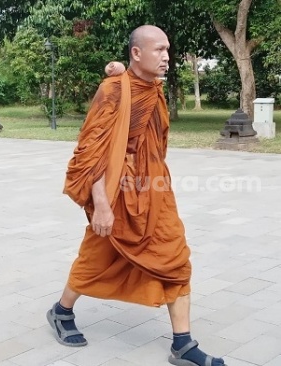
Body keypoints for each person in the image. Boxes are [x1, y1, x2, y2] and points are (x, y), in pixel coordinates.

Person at [48, 25, 225, 366]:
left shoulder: (153, 89)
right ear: (136, 53)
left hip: (156, 191)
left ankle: (183, 344)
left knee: (176, 259)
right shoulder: (112, 90)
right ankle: (61, 310)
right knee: (96, 258)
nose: (167, 57)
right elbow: (91, 152)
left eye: (168, 50)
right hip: (118, 194)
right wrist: (100, 203)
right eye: (158, 49)